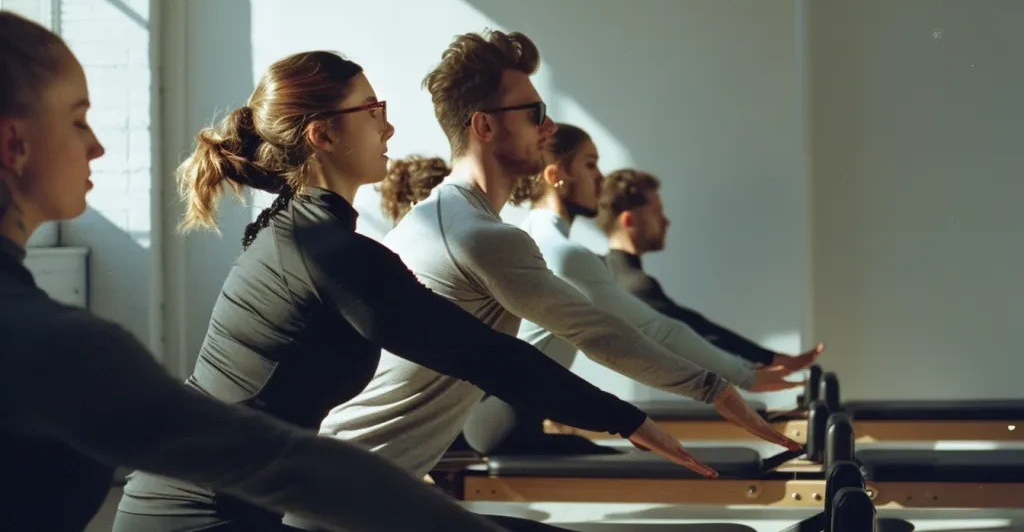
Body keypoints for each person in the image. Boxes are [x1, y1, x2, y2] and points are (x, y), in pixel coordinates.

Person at [112, 49, 709, 532]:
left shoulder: (301, 232)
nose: (389, 125)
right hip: (200, 515)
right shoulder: (327, 252)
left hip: (242, 502)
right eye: (372, 111)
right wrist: (625, 419)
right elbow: (480, 354)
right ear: (322, 135)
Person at [0, 10, 513, 532]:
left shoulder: (295, 236)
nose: (98, 146)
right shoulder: (56, 343)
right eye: (77, 119)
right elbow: (286, 462)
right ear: (13, 143)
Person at [302, 29, 800, 510]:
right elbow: (597, 331)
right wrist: (715, 389)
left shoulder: (432, 219)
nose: (549, 128)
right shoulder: (478, 236)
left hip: (358, 484)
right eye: (535, 112)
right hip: (349, 493)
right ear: (485, 126)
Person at [597, 168, 824, 371]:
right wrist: (767, 362)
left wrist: (765, 361)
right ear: (629, 220)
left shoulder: (609, 275)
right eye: (657, 212)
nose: (666, 222)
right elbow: (694, 332)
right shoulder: (635, 285)